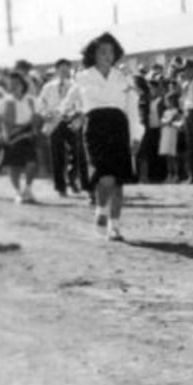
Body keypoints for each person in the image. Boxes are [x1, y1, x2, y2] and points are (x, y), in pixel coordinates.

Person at [64, 32, 143, 239]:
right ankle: (101, 209)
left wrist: (136, 136)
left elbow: (132, 108)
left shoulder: (123, 78)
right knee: (104, 176)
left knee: (118, 181)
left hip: (119, 126)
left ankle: (114, 227)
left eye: (111, 52)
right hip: (95, 127)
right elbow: (67, 104)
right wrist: (64, 115)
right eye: (103, 52)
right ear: (93, 54)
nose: (108, 56)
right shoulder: (83, 77)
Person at [37, 59, 79, 197]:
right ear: (56, 70)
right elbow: (40, 104)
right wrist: (45, 114)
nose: (64, 72)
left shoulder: (75, 85)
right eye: (61, 69)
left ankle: (72, 178)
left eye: (67, 69)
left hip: (71, 121)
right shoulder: (48, 87)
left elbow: (80, 102)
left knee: (77, 153)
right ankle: (60, 187)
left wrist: (75, 114)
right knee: (57, 155)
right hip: (54, 122)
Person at [0, 71, 39, 203]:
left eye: (17, 83)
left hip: (28, 135)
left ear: (23, 84)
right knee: (14, 166)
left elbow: (37, 117)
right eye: (11, 84)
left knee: (32, 163)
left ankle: (28, 189)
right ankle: (17, 192)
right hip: (12, 136)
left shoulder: (31, 99)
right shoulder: (4, 101)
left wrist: (35, 129)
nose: (14, 86)